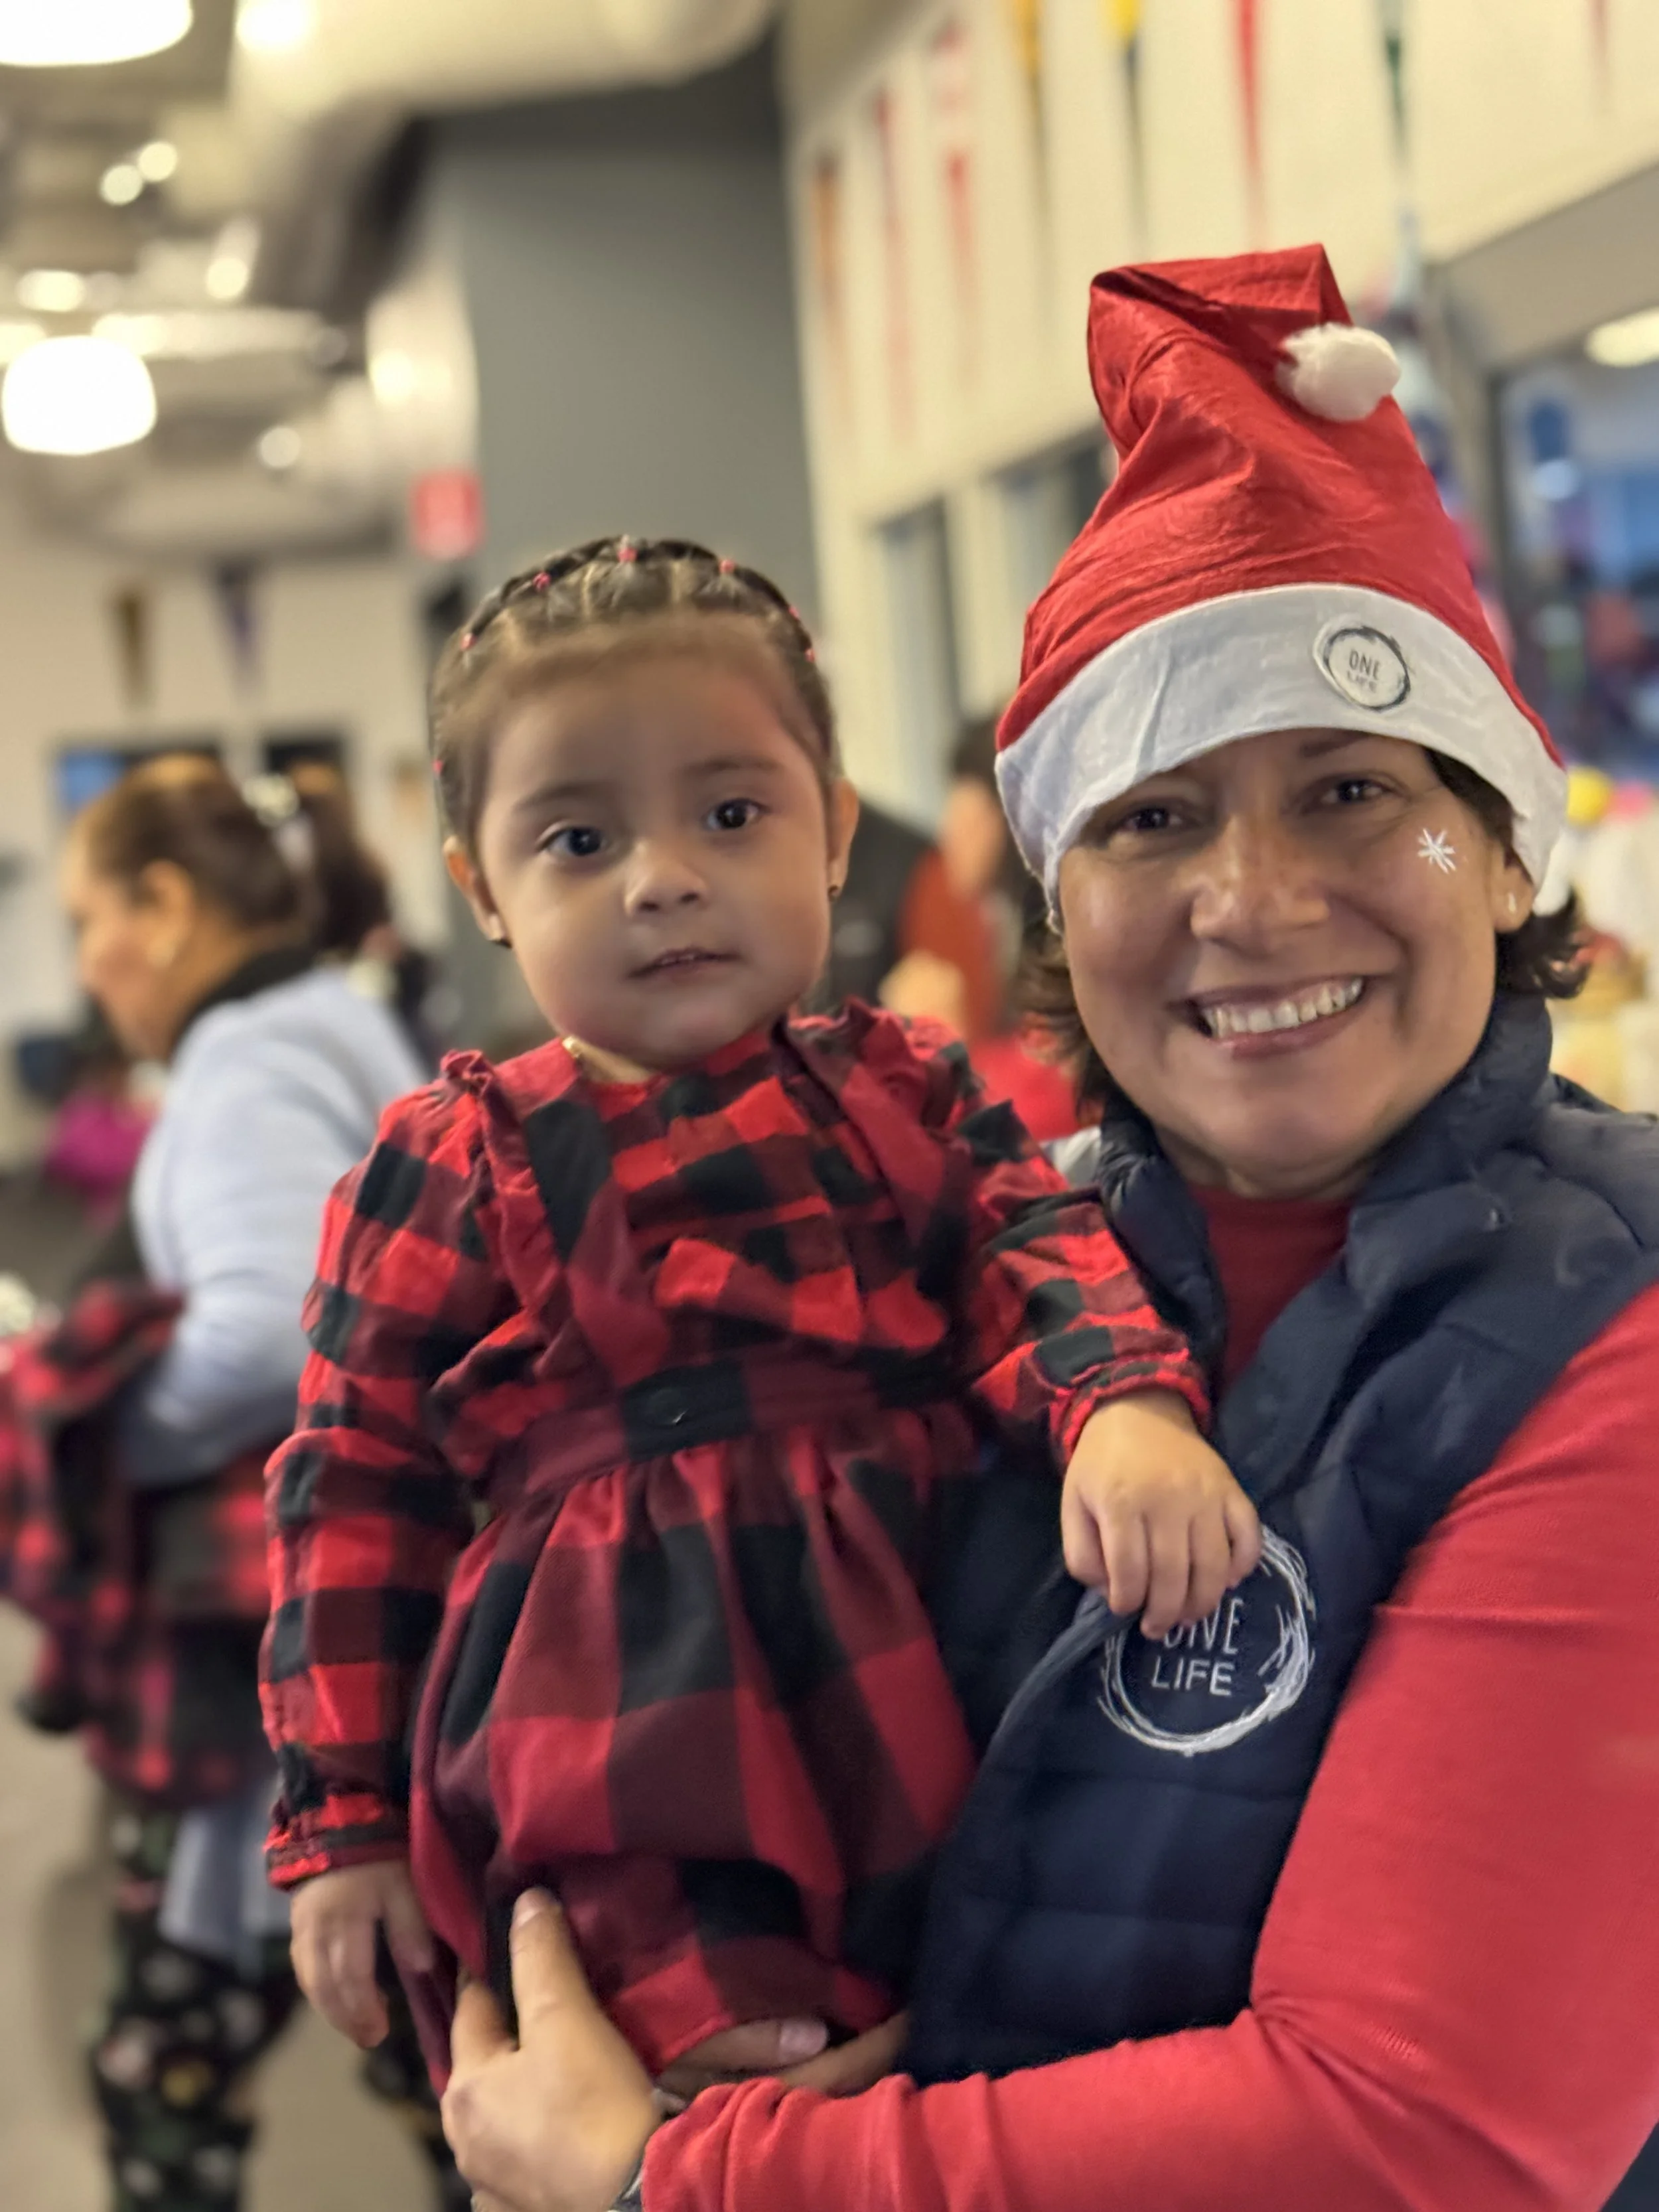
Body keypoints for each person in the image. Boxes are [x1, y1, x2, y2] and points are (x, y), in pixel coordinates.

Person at [434, 249, 1659, 2212]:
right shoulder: (961, 1258)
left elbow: (1424, 2129)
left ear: (1504, 849)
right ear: (1053, 898)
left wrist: (688, 2175)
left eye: (1351, 792)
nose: (1248, 904)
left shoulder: (1609, 1325)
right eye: (1149, 819)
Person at [260, 534, 1263, 2091]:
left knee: (992, 2028)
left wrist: (1120, 1404)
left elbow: (1032, 1245)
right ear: (482, 890)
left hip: (927, 1655)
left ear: (835, 828)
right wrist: (341, 1822)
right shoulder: (449, 1162)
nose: (662, 876)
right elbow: (352, 1494)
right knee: (718, 2075)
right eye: (577, 839)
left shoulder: (903, 1087)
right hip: (628, 1727)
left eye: (730, 814)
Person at [54, 759, 464, 2212]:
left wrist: (87, 1435)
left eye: (89, 921)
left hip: (294, 1655)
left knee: (172, 2064)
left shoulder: (246, 1057)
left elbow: (268, 1334)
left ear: (165, 907)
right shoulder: (333, 1017)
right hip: (389, 1616)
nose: (85, 966)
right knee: (436, 2048)